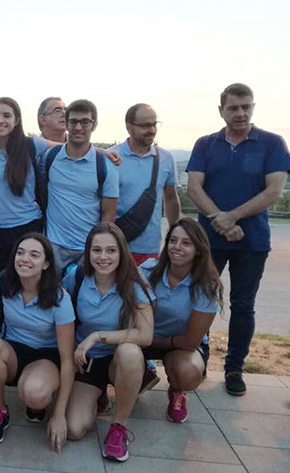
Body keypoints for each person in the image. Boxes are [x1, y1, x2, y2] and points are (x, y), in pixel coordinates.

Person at [186, 83, 290, 396]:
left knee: (243, 306)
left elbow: (274, 191)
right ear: (221, 111)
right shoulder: (205, 144)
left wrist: (232, 217)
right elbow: (194, 188)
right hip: (209, 240)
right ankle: (196, 359)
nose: (240, 113)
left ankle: (234, 368)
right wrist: (220, 220)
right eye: (233, 107)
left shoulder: (272, 143)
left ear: (253, 107)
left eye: (246, 106)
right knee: (200, 299)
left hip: (252, 241)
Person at [63, 223, 154, 462]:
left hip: (118, 361)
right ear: (88, 252)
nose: (103, 257)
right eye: (97, 250)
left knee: (130, 353)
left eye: (111, 250)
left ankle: (119, 426)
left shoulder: (135, 282)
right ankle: (97, 395)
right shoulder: (77, 276)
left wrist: (97, 336)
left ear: (122, 252)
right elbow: (60, 316)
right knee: (73, 429)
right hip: (87, 361)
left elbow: (145, 335)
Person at [0, 233, 75, 452]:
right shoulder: (5, 280)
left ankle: (37, 404)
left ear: (46, 263)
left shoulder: (60, 299)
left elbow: (68, 360)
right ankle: (0, 411)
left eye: (34, 255)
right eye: (20, 253)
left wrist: (59, 414)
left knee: (33, 393)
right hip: (12, 349)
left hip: (45, 356)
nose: (25, 259)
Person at [141, 218, 223, 423]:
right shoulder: (148, 270)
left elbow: (190, 342)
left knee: (187, 372)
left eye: (186, 243)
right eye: (173, 240)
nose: (177, 247)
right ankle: (140, 374)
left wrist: (148, 340)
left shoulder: (207, 285)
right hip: (143, 338)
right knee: (118, 354)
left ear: (199, 250)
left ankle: (177, 390)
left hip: (180, 345)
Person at [41, 99, 119, 276]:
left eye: (85, 122)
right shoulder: (50, 158)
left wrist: (96, 249)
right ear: (66, 124)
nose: (78, 127)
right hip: (53, 247)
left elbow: (109, 214)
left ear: (94, 125)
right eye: (73, 121)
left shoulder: (105, 166)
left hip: (87, 249)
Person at [0, 97, 52, 279]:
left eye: (6, 115)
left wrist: (104, 152)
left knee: (27, 281)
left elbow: (68, 148)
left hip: (28, 225)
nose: (0, 120)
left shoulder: (32, 145)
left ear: (16, 120)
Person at [110, 104, 181, 265]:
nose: (152, 130)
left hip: (150, 247)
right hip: (116, 246)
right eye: (145, 126)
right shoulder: (112, 156)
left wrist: (175, 234)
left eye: (154, 124)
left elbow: (171, 198)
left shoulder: (166, 158)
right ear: (129, 127)